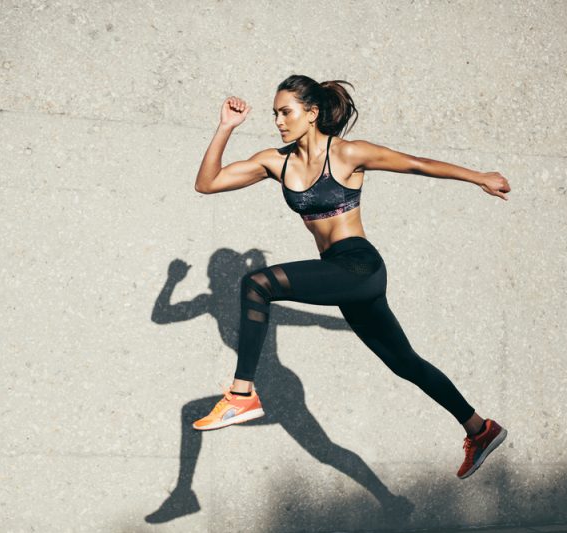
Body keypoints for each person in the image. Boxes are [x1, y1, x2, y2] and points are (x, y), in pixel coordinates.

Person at [192, 75, 511, 479]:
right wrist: (225, 128)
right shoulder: (276, 161)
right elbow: (207, 184)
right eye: (274, 113)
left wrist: (479, 176)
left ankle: (241, 394)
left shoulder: (347, 153)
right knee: (404, 362)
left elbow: (416, 164)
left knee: (257, 284)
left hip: (359, 266)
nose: (278, 120)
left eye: (285, 112)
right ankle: (480, 429)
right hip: (337, 275)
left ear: (311, 113)